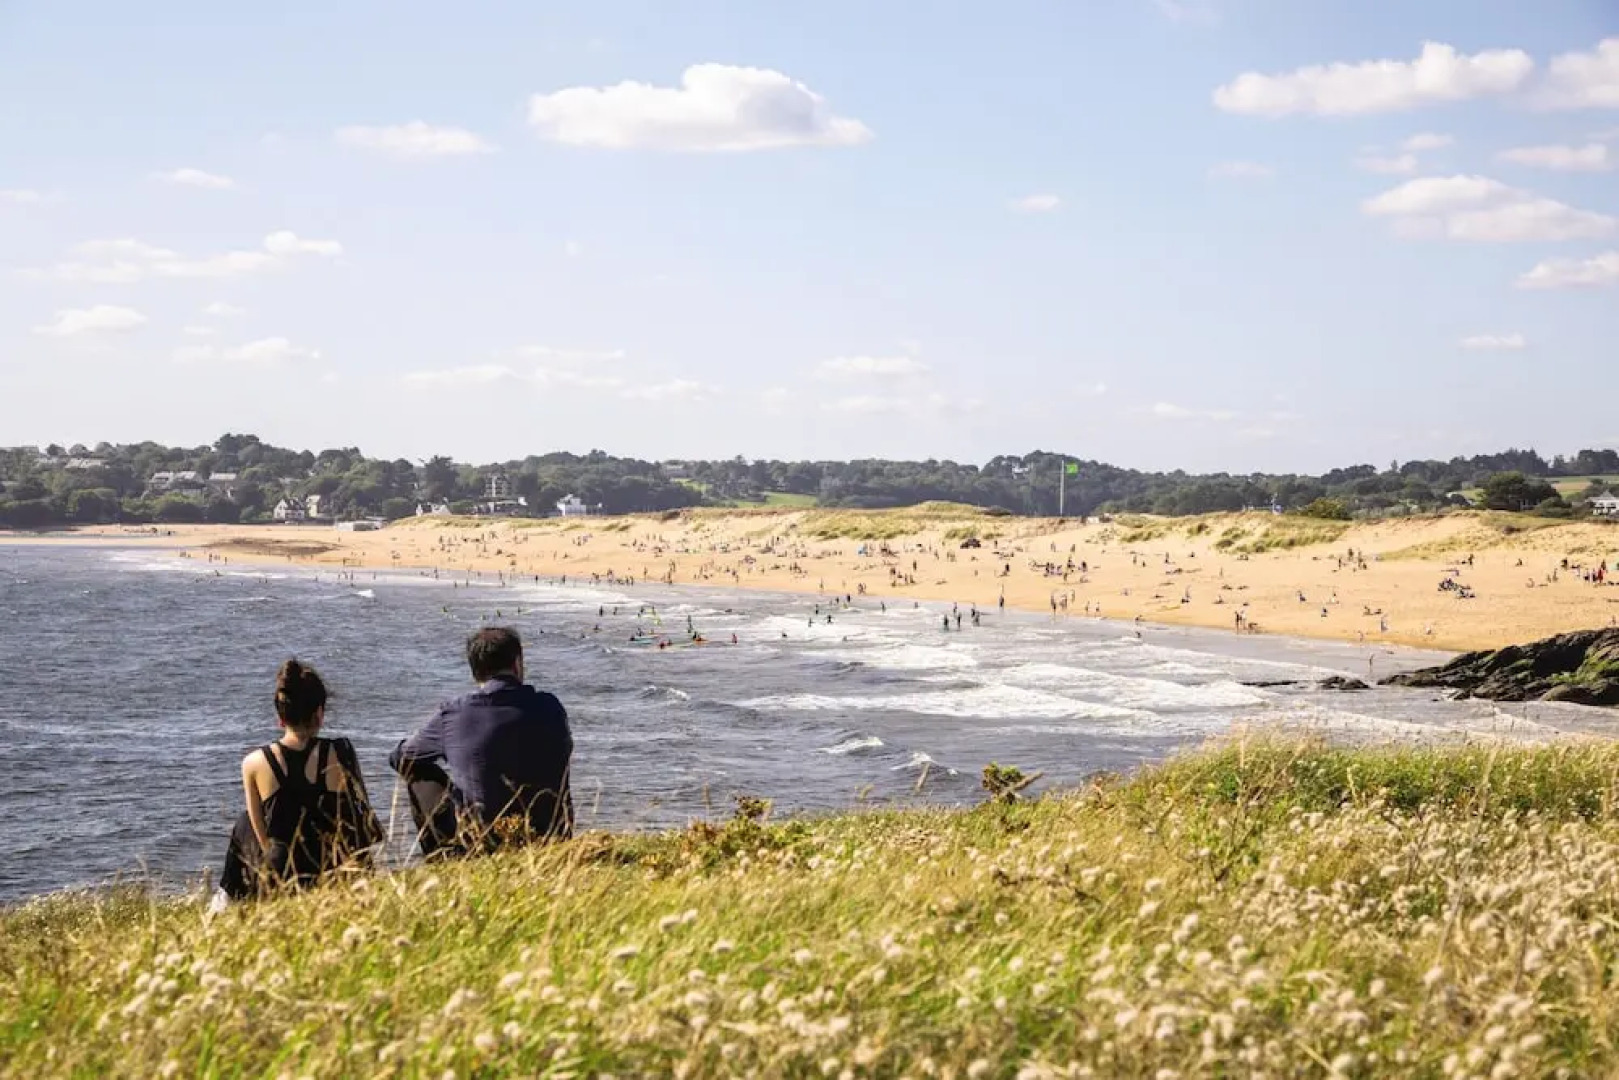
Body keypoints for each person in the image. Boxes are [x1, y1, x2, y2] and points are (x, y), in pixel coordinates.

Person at [390, 627, 573, 857]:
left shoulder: (455, 713)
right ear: (517, 664)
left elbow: (402, 757)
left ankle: (443, 857)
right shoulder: (551, 707)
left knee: (419, 774)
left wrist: (457, 759)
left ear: (475, 671)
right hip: (554, 838)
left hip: (483, 843)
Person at [218, 661, 383, 900]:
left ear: (280, 717)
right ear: (319, 713)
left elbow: (263, 839)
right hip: (334, 869)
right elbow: (361, 819)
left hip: (283, 875)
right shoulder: (341, 752)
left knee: (244, 823)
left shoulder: (253, 763)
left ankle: (228, 902)